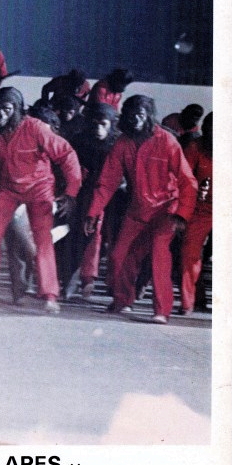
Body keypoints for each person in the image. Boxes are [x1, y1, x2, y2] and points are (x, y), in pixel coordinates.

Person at [0, 87, 81, 313]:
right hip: (7, 189)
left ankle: (50, 295)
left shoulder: (35, 128)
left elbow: (66, 154)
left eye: (7, 109)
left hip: (39, 188)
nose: (0, 114)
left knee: (43, 239)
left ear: (17, 110)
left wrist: (71, 192)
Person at [85, 95, 198, 324]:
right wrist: (93, 212)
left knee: (159, 256)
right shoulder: (123, 143)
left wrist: (181, 214)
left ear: (149, 116)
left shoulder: (167, 141)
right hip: (137, 210)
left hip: (166, 210)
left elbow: (188, 181)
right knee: (119, 255)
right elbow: (107, 182)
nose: (135, 119)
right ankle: (122, 300)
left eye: (141, 114)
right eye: (131, 115)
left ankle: (161, 311)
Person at [62, 102, 121, 299]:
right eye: (94, 124)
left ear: (111, 125)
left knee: (107, 238)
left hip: (113, 196)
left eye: (103, 124)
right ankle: (78, 277)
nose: (98, 129)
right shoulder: (79, 141)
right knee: (84, 234)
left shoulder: (117, 144)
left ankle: (102, 280)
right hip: (84, 192)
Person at [179, 112, 213, 315]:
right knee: (189, 253)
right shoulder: (194, 147)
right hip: (200, 210)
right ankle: (188, 302)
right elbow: (185, 179)